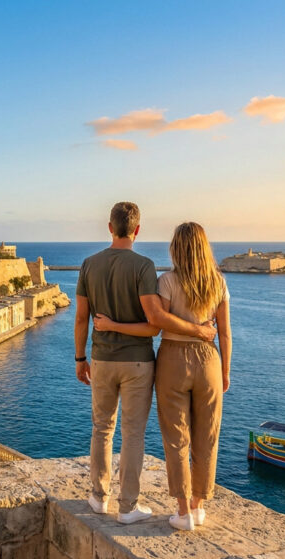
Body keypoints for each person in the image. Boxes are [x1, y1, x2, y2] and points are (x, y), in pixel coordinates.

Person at [74, 204, 216, 525]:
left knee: (101, 429)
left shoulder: (88, 265)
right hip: (138, 362)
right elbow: (154, 324)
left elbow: (82, 318)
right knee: (133, 434)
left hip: (101, 360)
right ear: (137, 230)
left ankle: (99, 497)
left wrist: (80, 357)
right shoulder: (144, 267)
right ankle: (127, 507)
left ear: (110, 226)